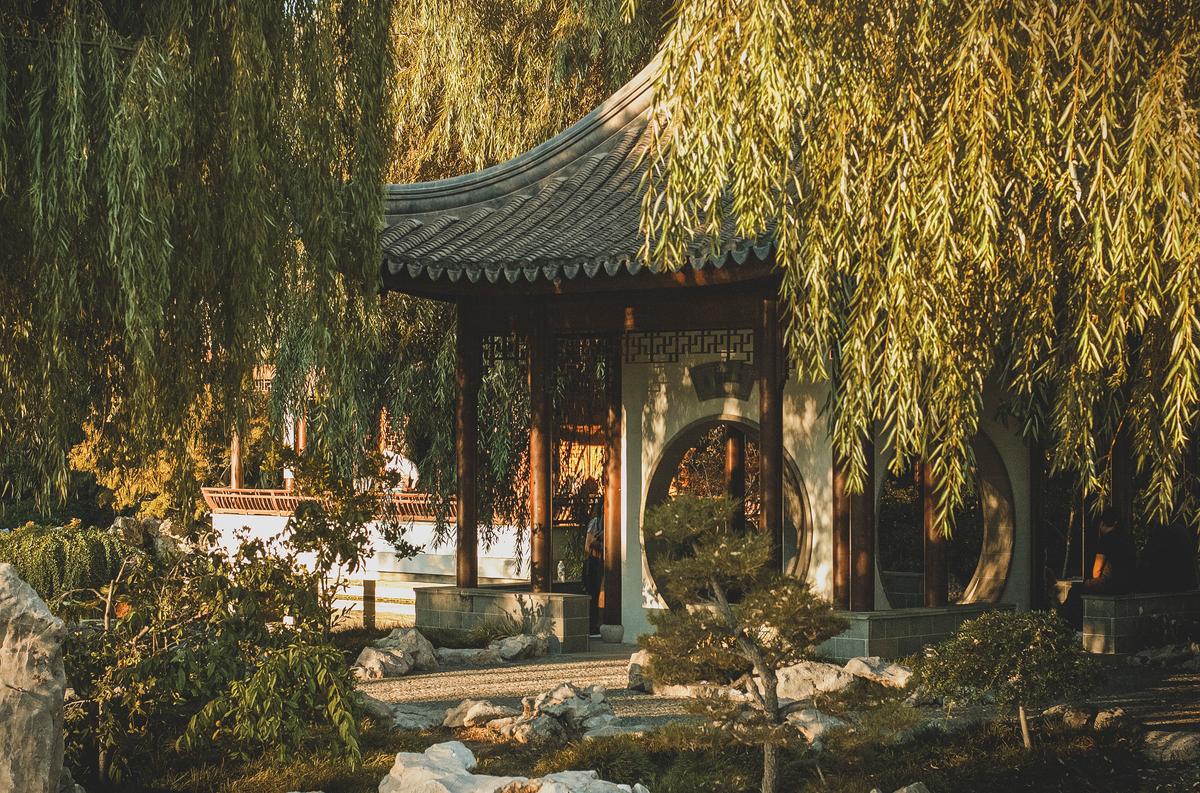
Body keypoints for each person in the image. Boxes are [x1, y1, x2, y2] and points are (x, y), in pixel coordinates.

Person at [582, 499, 604, 635]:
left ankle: (596, 624)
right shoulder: (595, 522)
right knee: (594, 595)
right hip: (595, 563)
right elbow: (588, 545)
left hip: (602, 563)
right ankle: (593, 625)